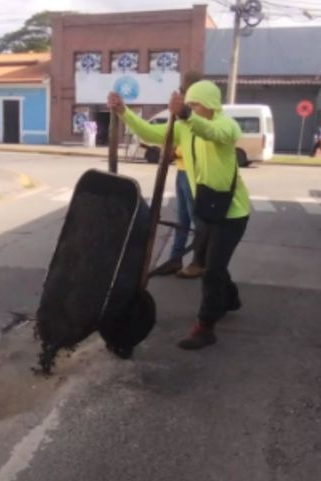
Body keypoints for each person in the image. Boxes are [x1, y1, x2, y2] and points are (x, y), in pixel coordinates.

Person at [108, 80, 251, 350]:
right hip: (207, 207)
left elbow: (214, 133)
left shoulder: (226, 125)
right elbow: (150, 133)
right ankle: (230, 299)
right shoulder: (185, 128)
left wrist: (186, 114)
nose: (192, 109)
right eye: (190, 104)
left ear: (209, 105)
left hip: (232, 212)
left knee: (213, 269)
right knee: (211, 261)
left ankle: (204, 328)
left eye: (196, 104)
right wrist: (124, 112)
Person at [150, 70, 206, 278]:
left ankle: (198, 262)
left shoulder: (199, 111)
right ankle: (175, 259)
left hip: (194, 175)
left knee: (197, 222)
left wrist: (176, 151)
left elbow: (196, 142)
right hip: (181, 172)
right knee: (182, 219)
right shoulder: (184, 108)